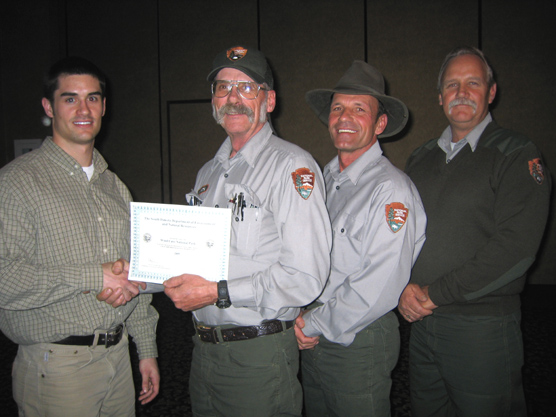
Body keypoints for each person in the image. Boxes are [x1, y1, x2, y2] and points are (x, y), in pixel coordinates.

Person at [163, 45, 332, 417]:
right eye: (223, 88)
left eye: (247, 88)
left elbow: (304, 277)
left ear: (268, 100)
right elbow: (192, 258)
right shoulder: (208, 173)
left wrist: (216, 292)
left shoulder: (292, 167)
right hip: (203, 352)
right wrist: (137, 274)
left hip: (257, 357)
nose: (233, 98)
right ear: (212, 101)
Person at [0, 56, 160, 416]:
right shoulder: (17, 183)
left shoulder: (115, 187)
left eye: (93, 98)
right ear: (49, 107)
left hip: (117, 359)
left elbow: (135, 273)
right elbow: (4, 277)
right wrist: (93, 275)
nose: (83, 108)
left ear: (104, 106)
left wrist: (146, 349)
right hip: (56, 368)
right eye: (70, 98)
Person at [398, 46, 551, 417]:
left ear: (491, 91)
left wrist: (436, 293)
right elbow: (400, 238)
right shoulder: (419, 158)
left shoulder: (516, 154)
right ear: (439, 97)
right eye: (452, 84)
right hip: (422, 325)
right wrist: (401, 286)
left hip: (481, 330)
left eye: (473, 83)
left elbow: (516, 249)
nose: (461, 92)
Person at [296, 60, 427, 417]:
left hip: (359, 341)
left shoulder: (390, 189)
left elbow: (380, 281)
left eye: (359, 109)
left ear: (379, 123)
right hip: (314, 333)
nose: (344, 117)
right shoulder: (324, 178)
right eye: (338, 108)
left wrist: (313, 322)